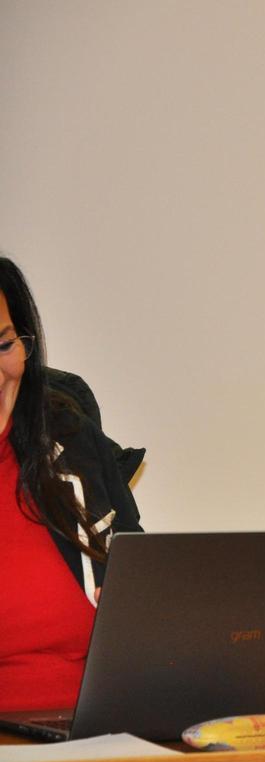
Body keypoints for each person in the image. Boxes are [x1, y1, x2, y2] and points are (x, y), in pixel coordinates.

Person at [0, 257, 143, 711]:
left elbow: (146, 586)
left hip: (106, 726)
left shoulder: (72, 438)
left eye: (3, 345)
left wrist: (142, 610)